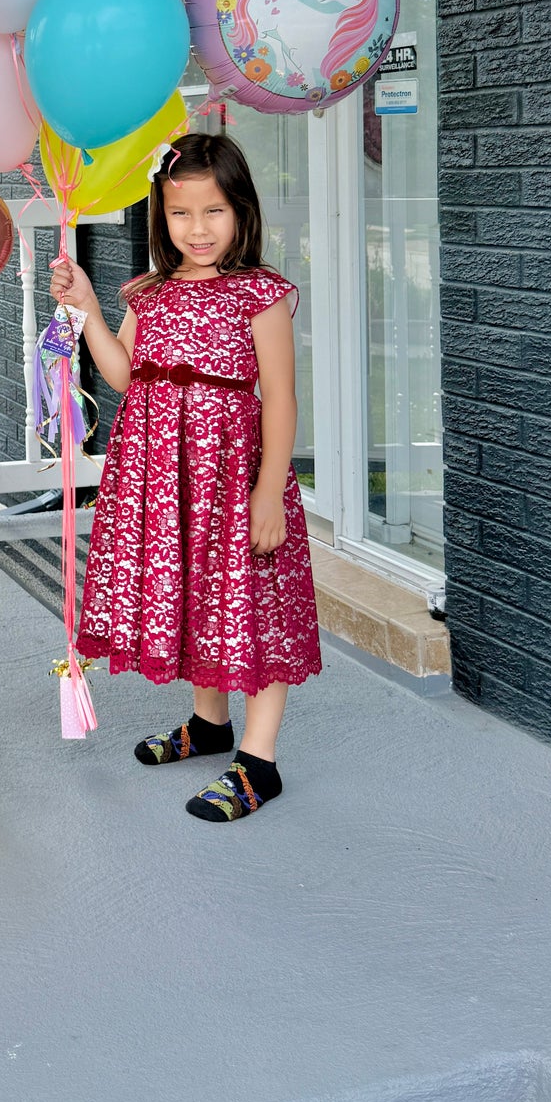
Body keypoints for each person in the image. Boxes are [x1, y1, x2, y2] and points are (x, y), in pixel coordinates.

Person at [49, 130, 320, 822]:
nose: (197, 229)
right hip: (162, 479)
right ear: (160, 218)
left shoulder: (256, 293)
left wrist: (268, 492)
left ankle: (257, 760)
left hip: (232, 477)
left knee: (247, 604)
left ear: (241, 212)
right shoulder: (149, 292)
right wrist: (82, 309)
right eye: (180, 214)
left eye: (213, 212)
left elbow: (280, 398)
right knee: (198, 593)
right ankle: (208, 725)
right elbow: (121, 374)